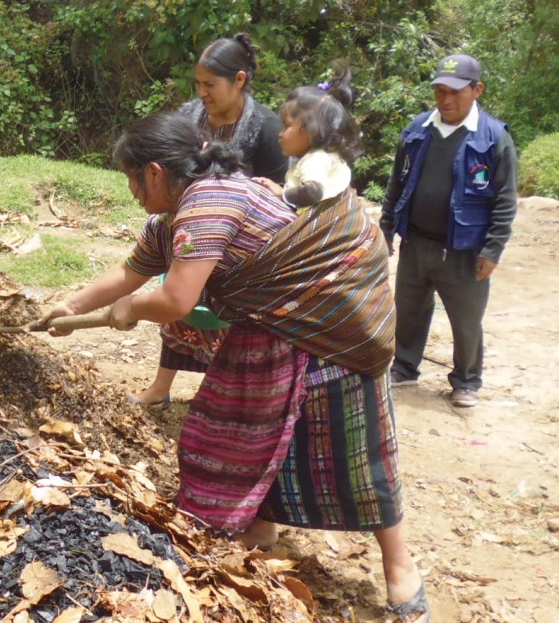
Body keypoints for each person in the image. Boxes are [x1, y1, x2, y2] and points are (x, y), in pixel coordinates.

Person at [39, 111, 429, 623]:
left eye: (131, 179)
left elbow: (176, 299)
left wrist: (132, 308)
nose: (131, 192)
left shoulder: (207, 203)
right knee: (243, 429)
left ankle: (400, 567)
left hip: (327, 320)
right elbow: (129, 271)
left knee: (353, 447)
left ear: (154, 172)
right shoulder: (176, 216)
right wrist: (68, 308)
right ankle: (260, 526)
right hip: (268, 328)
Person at [136, 33, 288, 405]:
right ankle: (161, 386)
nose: (202, 92)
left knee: (230, 324)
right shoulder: (189, 118)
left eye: (210, 84)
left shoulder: (267, 128)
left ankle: (219, 396)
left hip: (240, 247)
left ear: (239, 80)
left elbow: (275, 193)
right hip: (191, 230)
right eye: (198, 84)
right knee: (177, 301)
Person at [380, 54, 518, 409]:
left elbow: (505, 199)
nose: (446, 99)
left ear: (477, 90)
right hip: (416, 242)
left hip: (464, 249)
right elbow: (397, 183)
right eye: (440, 91)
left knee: (466, 320)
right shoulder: (418, 129)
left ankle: (466, 381)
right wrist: (387, 229)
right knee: (408, 310)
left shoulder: (493, 137)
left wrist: (493, 249)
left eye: (455, 92)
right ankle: (404, 368)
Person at [275, 60, 361, 207]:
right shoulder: (324, 157)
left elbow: (312, 192)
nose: (280, 134)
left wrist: (281, 194)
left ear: (311, 130)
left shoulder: (316, 159)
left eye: (286, 126)